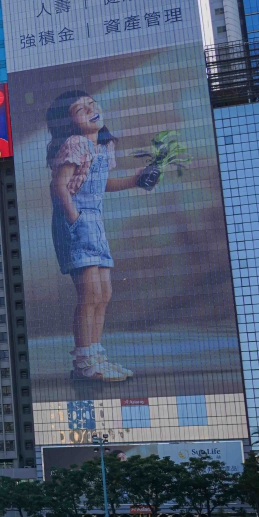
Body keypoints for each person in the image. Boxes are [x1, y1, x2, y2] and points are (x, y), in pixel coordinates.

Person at [45, 90, 152, 383]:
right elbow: (59, 185)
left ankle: (97, 358)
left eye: (92, 104)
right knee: (90, 294)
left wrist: (135, 181)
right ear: (69, 122)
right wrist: (74, 218)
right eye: (81, 109)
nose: (91, 109)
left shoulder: (103, 146)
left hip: (95, 221)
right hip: (77, 221)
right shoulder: (75, 143)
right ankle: (84, 363)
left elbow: (101, 183)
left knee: (104, 293)